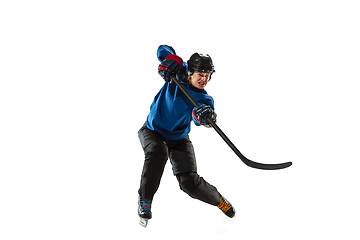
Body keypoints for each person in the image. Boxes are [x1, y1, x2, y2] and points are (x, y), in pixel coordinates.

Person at [137, 45, 235, 226]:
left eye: (207, 76)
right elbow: (162, 49)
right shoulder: (178, 70)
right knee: (158, 153)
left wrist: (206, 116)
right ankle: (145, 200)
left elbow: (201, 120)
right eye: (200, 74)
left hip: (179, 139)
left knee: (189, 183)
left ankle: (219, 200)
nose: (204, 79)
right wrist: (171, 61)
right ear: (190, 72)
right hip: (152, 131)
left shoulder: (203, 99)